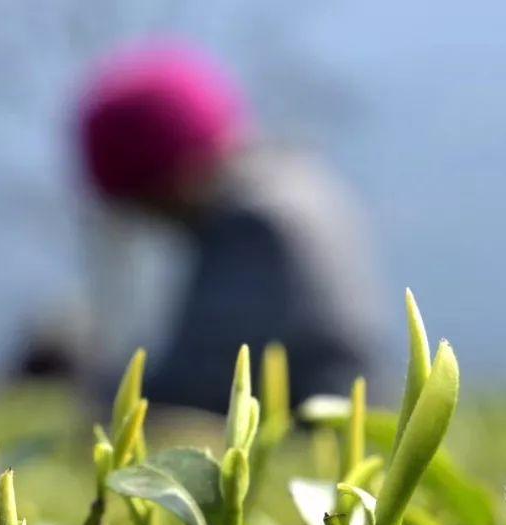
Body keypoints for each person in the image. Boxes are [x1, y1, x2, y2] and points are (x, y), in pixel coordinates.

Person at [75, 40, 380, 412]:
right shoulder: (289, 184)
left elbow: (201, 383)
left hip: (313, 428)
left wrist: (97, 390)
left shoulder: (257, 228)